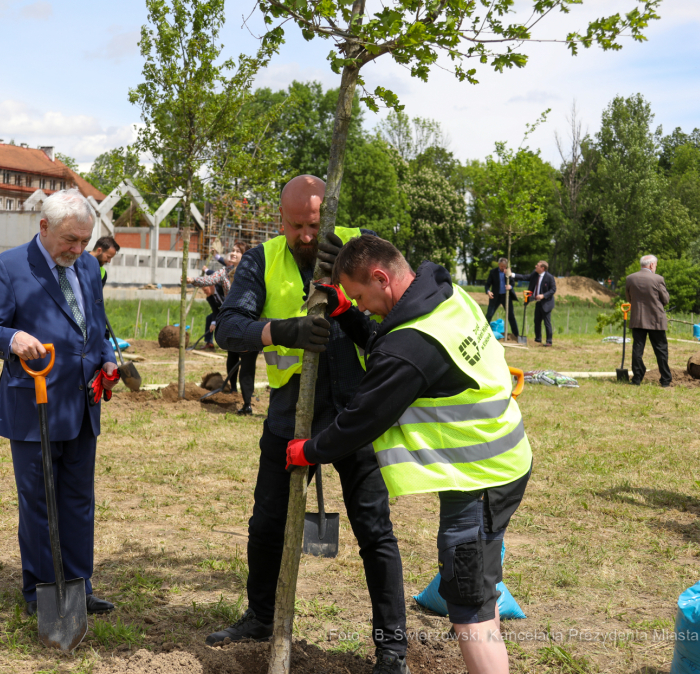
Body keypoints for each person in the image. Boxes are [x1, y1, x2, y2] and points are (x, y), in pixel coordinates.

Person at [287, 235, 531, 674]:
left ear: (381, 277)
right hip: (503, 461)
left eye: (360, 297)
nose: (361, 306)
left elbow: (364, 417)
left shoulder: (414, 345)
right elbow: (390, 340)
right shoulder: (443, 294)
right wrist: (348, 316)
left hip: (479, 479)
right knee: (477, 589)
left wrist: (311, 449)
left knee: (468, 606)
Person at [212, 175, 409, 674]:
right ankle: (260, 616)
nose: (305, 235)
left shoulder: (359, 249)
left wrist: (345, 313)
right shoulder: (264, 258)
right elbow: (230, 328)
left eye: (313, 226)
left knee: (375, 532)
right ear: (281, 219)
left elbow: (386, 331)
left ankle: (392, 648)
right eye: (296, 224)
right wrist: (284, 331)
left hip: (353, 414)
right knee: (266, 523)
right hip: (289, 414)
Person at [0, 189, 118, 616]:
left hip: (82, 405)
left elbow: (97, 324)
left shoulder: (88, 266)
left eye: (84, 241)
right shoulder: (10, 268)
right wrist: (13, 339)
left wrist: (106, 360)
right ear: (44, 228)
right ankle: (39, 591)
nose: (78, 250)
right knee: (38, 502)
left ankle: (78, 586)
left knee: (77, 500)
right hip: (33, 405)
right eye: (70, 240)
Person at [189, 242, 259, 415]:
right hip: (232, 319)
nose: (233, 253)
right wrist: (193, 281)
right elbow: (209, 279)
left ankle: (247, 402)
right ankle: (233, 390)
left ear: (245, 255)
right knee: (232, 354)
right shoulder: (226, 272)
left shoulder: (254, 272)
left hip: (250, 319)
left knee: (248, 361)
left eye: (238, 251)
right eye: (233, 250)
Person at [625, 255, 672, 387]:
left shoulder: (630, 278)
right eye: (655, 265)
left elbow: (629, 298)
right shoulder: (658, 279)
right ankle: (665, 380)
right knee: (661, 350)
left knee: (637, 350)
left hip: (638, 319)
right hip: (656, 320)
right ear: (652, 265)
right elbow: (666, 299)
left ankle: (637, 378)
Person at [519, 260, 556, 346]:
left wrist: (543, 295)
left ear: (543, 268)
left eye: (538, 265)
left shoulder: (549, 277)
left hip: (547, 303)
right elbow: (525, 277)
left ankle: (549, 341)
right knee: (537, 321)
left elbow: (553, 289)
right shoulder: (535, 274)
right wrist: (512, 275)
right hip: (538, 303)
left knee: (547, 322)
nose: (535, 266)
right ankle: (538, 339)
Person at [484, 258, 518, 337]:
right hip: (495, 297)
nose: (503, 268)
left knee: (511, 315)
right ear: (499, 264)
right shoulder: (493, 272)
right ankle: (484, 332)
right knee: (489, 314)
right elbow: (487, 284)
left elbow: (512, 282)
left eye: (504, 266)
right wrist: (488, 291)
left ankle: (516, 334)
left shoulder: (508, 272)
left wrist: (510, 286)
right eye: (502, 266)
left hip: (506, 297)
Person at [201, 281, 222, 350]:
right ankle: (209, 342)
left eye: (205, 290)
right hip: (220, 312)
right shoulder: (210, 298)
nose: (204, 292)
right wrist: (213, 323)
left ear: (211, 287)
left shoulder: (222, 289)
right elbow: (215, 311)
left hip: (230, 311)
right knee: (209, 318)